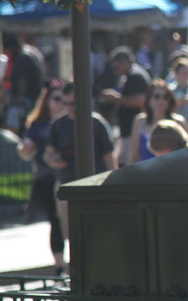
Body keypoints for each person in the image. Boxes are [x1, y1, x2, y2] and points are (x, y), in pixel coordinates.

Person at [44, 83, 116, 275]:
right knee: (71, 233)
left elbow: (110, 158)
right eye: (66, 103)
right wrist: (53, 161)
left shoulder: (97, 123)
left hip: (96, 185)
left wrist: (113, 185)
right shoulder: (58, 124)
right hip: (67, 186)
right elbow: (48, 154)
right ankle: (78, 271)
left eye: (74, 103)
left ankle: (100, 267)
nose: (70, 107)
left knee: (98, 231)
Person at [17, 80, 66, 270]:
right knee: (55, 219)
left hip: (69, 177)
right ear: (47, 101)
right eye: (56, 99)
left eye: (64, 99)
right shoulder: (38, 125)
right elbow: (24, 150)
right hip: (47, 178)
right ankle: (59, 264)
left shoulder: (72, 121)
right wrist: (26, 148)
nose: (61, 103)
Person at [100, 47, 151, 165]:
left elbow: (141, 100)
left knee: (129, 163)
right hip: (127, 129)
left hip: (133, 130)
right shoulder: (128, 76)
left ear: (126, 63)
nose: (115, 70)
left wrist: (116, 98)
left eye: (117, 66)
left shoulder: (136, 76)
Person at [127, 80, 188, 163]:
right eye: (157, 96)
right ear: (149, 100)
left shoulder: (179, 121)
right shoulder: (140, 121)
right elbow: (133, 154)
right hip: (147, 173)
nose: (161, 101)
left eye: (165, 97)